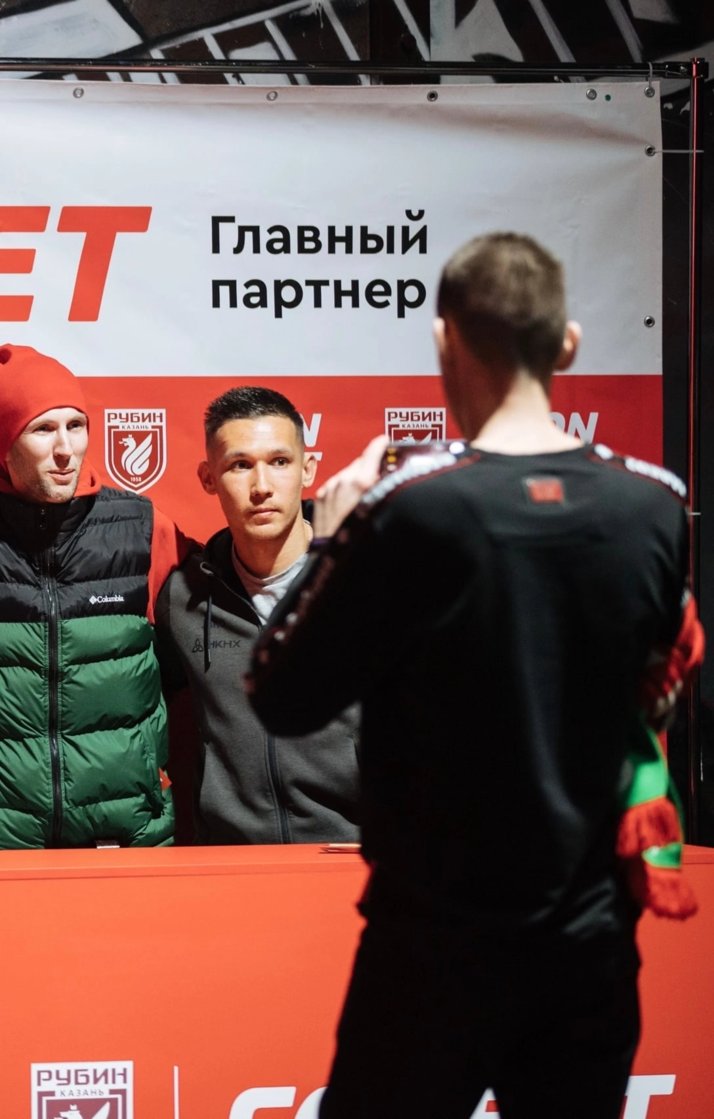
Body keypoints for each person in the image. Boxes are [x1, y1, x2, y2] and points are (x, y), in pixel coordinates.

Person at [247, 232, 700, 1119]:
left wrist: (331, 540)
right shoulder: (655, 505)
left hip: (434, 940)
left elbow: (280, 694)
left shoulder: (411, 509)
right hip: (590, 943)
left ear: (443, 340)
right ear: (566, 343)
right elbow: (662, 692)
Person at [0, 344, 186, 849]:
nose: (65, 449)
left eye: (75, 426)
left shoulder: (142, 530)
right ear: (4, 443)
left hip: (126, 841)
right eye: (42, 429)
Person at [155, 387, 360, 844]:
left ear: (308, 469)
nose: (262, 486)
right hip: (231, 860)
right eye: (240, 465)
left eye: (280, 461)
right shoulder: (183, 597)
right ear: (209, 478)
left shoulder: (370, 581)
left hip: (353, 853)